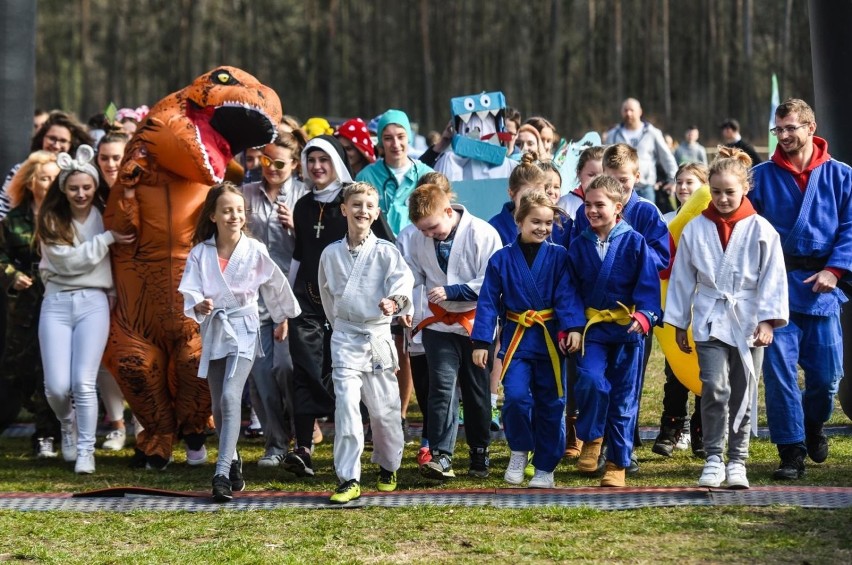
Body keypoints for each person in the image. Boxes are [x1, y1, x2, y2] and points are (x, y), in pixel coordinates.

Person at [665, 147, 788, 488]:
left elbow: (773, 277)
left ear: (746, 188)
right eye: (716, 191)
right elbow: (682, 278)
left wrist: (768, 321)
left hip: (749, 318)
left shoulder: (762, 229)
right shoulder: (695, 229)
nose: (722, 198)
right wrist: (678, 322)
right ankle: (714, 457)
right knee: (715, 388)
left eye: (729, 192)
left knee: (744, 390)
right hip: (708, 318)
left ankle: (738, 460)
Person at [749, 98, 852, 479]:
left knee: (827, 379)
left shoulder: (841, 175)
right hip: (776, 288)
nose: (785, 136)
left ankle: (812, 427)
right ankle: (791, 450)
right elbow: (746, 230)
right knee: (779, 374)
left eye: (792, 127)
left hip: (823, 287)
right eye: (780, 129)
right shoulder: (760, 176)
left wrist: (837, 269)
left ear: (811, 127)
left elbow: (851, 226)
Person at [179, 182, 300, 502]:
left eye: (238, 210)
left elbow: (275, 284)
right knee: (219, 402)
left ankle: (220, 471)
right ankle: (233, 460)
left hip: (245, 329)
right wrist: (199, 305)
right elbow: (189, 289)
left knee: (232, 396)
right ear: (214, 215)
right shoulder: (200, 253)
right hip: (215, 329)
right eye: (226, 210)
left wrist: (282, 316)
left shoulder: (254, 250)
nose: (234, 216)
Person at [284, 135, 393, 478]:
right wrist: (285, 301)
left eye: (324, 160)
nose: (317, 166)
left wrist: (394, 300)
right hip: (307, 301)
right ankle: (303, 447)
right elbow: (299, 255)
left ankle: (358, 441)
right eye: (311, 160)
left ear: (336, 162)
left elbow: (386, 249)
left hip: (352, 309)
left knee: (351, 377)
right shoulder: (302, 205)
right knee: (305, 368)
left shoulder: (355, 201)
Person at [473, 191, 584, 488]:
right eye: (536, 221)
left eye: (548, 223)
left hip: (549, 340)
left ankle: (546, 464)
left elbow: (567, 294)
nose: (542, 228)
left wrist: (573, 326)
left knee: (552, 402)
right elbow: (487, 302)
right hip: (517, 340)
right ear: (519, 221)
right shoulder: (500, 259)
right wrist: (482, 342)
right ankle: (520, 449)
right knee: (517, 400)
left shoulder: (560, 256)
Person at [570, 144, 669, 475]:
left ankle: (618, 461)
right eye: (588, 204)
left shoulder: (637, 237)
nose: (593, 210)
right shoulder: (580, 239)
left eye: (601, 205)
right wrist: (569, 324)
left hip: (629, 327)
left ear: (619, 208)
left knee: (626, 396)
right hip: (593, 328)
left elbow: (649, 283)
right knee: (590, 380)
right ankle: (593, 436)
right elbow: (568, 286)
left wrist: (645, 315)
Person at [36, 145, 135, 473]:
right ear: (63, 189)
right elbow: (65, 263)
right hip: (57, 302)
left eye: (87, 187)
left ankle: (85, 450)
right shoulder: (52, 219)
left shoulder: (104, 214)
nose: (81, 194)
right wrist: (105, 241)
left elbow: (73, 262)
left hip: (94, 301)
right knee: (57, 387)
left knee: (83, 381)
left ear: (95, 186)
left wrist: (92, 254)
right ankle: (68, 422)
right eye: (74, 188)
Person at [318, 182, 414, 504]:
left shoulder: (386, 252)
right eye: (356, 204)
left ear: (376, 213)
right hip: (345, 336)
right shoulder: (330, 254)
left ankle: (389, 465)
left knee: (384, 411)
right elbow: (327, 295)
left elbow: (403, 284)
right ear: (344, 209)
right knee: (345, 407)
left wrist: (394, 303)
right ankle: (349, 477)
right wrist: (340, 325)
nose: (362, 210)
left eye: (369, 205)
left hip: (377, 335)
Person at [405, 183, 502, 480]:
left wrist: (454, 290)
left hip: (476, 325)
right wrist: (410, 310)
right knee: (442, 389)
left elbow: (493, 279)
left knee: (475, 392)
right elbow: (414, 278)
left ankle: (479, 452)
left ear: (448, 211)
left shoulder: (482, 233)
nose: (430, 235)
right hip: (438, 324)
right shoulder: (419, 240)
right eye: (423, 231)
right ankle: (441, 455)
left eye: (433, 228)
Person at [242, 131, 309, 468]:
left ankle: (303, 437)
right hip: (253, 299)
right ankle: (275, 443)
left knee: (286, 368)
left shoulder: (304, 196)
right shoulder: (246, 194)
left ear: (295, 165)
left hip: (290, 296)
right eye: (265, 160)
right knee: (261, 375)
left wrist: (296, 227)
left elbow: (315, 248)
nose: (270, 167)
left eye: (279, 163)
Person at [0, 151, 61, 456]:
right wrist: (12, 274)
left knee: (48, 367)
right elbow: (1, 256)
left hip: (58, 297)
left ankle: (46, 433)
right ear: (30, 181)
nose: (49, 183)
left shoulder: (64, 216)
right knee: (18, 368)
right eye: (44, 177)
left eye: (53, 177)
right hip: (24, 303)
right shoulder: (13, 219)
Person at [652, 162, 709, 458]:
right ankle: (671, 428)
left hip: (705, 304)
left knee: (705, 368)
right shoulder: (666, 221)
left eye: (691, 183)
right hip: (674, 304)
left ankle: (702, 432)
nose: (683, 188)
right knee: (675, 370)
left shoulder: (711, 222)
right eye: (679, 182)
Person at [94, 130, 132, 451]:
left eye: (116, 157)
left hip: (137, 283)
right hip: (98, 285)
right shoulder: (87, 191)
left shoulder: (141, 191)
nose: (110, 164)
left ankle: (147, 423)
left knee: (141, 355)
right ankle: (116, 424)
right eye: (104, 157)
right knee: (104, 356)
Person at [0, 111, 93, 221]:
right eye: (52, 138)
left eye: (63, 141)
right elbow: (4, 206)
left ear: (71, 144)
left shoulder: (77, 173)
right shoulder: (20, 169)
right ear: (42, 138)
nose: (56, 145)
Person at [356, 109, 435, 235]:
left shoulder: (427, 175)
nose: (395, 144)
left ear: (409, 137)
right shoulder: (366, 177)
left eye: (400, 136)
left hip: (417, 249)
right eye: (388, 138)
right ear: (381, 141)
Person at [605, 98, 677, 205]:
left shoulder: (652, 133)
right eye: (625, 110)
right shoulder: (613, 135)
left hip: (645, 189)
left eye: (631, 110)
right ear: (621, 112)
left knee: (646, 220)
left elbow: (666, 157)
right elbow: (604, 159)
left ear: (640, 111)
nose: (628, 113)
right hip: (618, 189)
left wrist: (673, 180)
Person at [558, 146, 604, 221]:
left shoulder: (613, 206)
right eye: (591, 175)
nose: (597, 180)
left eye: (603, 176)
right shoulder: (565, 203)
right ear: (579, 174)